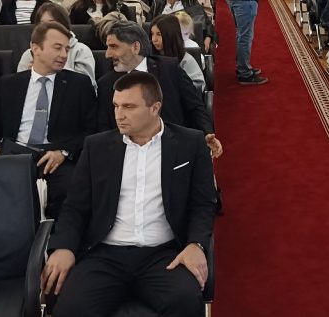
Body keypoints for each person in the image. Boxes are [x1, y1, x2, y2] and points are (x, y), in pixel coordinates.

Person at [42, 71, 214, 317]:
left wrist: (196, 244)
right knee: (71, 308)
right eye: (116, 105)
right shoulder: (96, 146)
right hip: (104, 254)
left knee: (185, 302)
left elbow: (203, 204)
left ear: (155, 108)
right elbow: (75, 207)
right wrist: (64, 247)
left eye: (129, 107)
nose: (118, 114)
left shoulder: (191, 143)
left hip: (164, 254)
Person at [0, 22, 97, 218]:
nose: (63, 55)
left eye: (67, 49)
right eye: (57, 47)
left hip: (56, 157)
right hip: (14, 154)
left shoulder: (79, 84)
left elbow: (91, 130)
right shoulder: (10, 84)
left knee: (71, 191)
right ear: (35, 48)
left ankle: (56, 236)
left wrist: (64, 152)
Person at [96, 21, 221, 159]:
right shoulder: (106, 84)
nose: (107, 54)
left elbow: (195, 106)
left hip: (174, 148)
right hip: (129, 154)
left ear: (136, 47)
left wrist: (207, 133)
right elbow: (104, 129)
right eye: (107, 47)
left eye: (114, 46)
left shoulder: (169, 69)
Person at [17, 3, 95, 85]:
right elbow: (19, 85)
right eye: (41, 24)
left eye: (52, 23)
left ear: (64, 25)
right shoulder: (29, 53)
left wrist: (50, 69)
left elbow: (87, 85)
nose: (46, 28)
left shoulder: (81, 50)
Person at [150, 14, 205, 91]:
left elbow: (199, 86)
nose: (154, 39)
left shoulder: (186, 60)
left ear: (171, 35)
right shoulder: (150, 58)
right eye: (152, 34)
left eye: (159, 34)